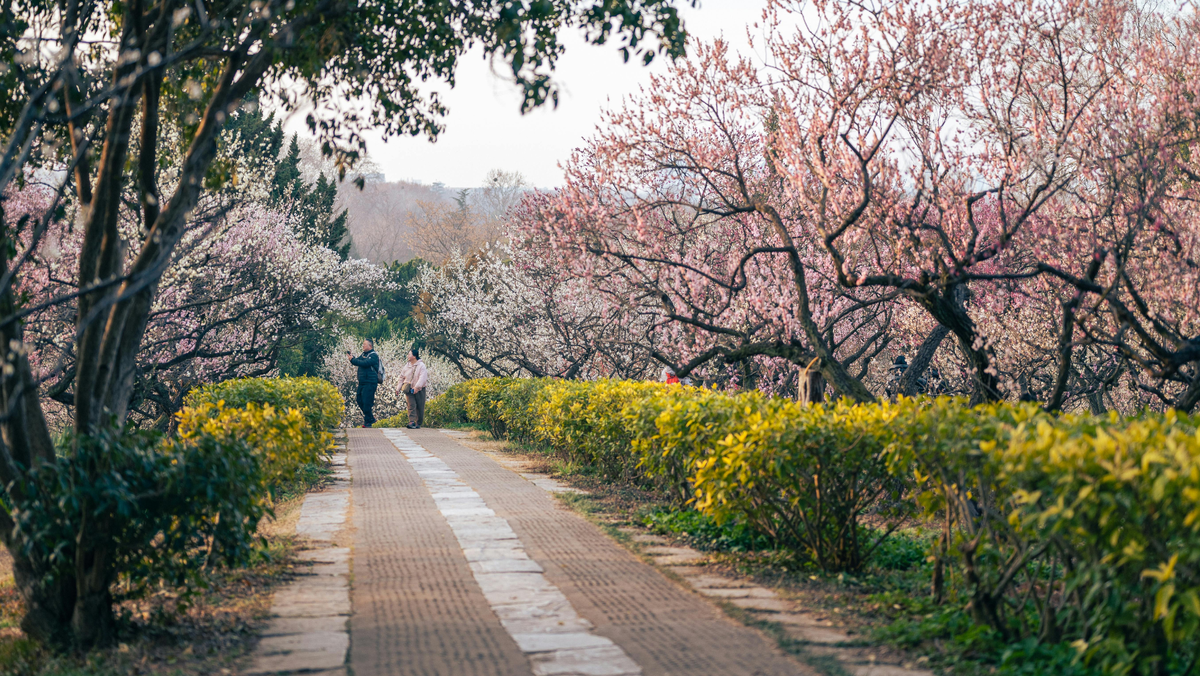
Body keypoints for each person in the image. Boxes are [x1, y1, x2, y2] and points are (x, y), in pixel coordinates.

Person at [348, 339, 381, 428]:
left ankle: (368, 422)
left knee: (367, 402)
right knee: (359, 400)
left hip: (370, 382)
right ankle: (370, 418)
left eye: (364, 344)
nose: (362, 346)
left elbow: (364, 363)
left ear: (370, 346)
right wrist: (352, 358)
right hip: (362, 382)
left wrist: (353, 360)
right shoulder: (363, 355)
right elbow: (358, 360)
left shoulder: (373, 356)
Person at [398, 348, 429, 429]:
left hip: (420, 389)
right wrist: (398, 388)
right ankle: (411, 421)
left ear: (414, 356)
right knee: (411, 405)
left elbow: (422, 378)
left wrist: (417, 387)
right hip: (409, 389)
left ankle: (418, 422)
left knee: (420, 406)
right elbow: (401, 377)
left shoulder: (421, 366)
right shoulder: (407, 366)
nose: (408, 356)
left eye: (409, 354)